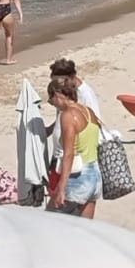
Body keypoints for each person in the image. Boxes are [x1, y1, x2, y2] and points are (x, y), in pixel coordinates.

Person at [47, 75, 102, 218]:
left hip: (79, 177)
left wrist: (61, 187)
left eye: (51, 98)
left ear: (58, 95)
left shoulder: (68, 115)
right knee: (86, 227)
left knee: (50, 220)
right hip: (95, 175)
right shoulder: (88, 111)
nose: (51, 102)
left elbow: (69, 154)